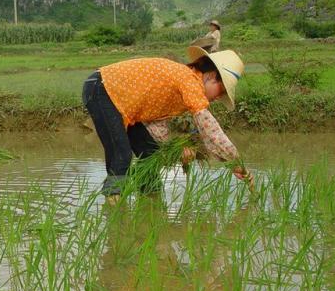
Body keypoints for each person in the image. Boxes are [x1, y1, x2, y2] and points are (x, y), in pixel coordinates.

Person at [82, 47, 251, 204]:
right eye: (221, 91)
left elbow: (158, 132)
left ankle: (150, 201)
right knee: (121, 154)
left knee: (150, 152)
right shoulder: (189, 80)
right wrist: (234, 160)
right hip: (102, 89)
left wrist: (180, 151)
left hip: (121, 103)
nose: (217, 98)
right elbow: (210, 129)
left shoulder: (182, 87)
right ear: (211, 76)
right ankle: (114, 211)